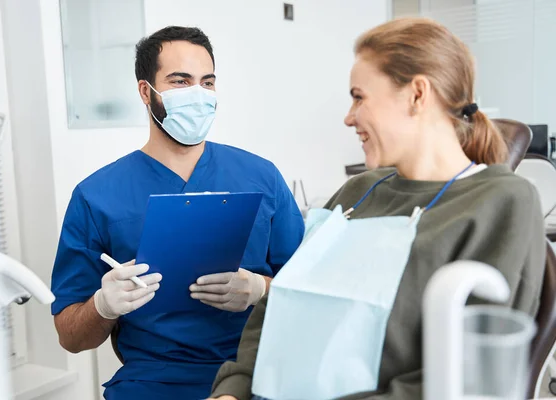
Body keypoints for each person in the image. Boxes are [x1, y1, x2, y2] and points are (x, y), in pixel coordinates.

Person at [208, 18, 546, 400]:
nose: (348, 117)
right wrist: (231, 391)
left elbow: (473, 377)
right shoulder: (358, 191)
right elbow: (279, 304)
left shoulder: (502, 201)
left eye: (359, 96)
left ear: (417, 95)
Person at [50, 26, 304, 400]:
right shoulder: (96, 196)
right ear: (145, 92)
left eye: (207, 82)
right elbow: (71, 337)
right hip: (152, 383)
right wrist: (103, 306)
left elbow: (309, 292)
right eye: (181, 81)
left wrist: (259, 289)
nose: (197, 95)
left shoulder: (261, 177)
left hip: (256, 373)